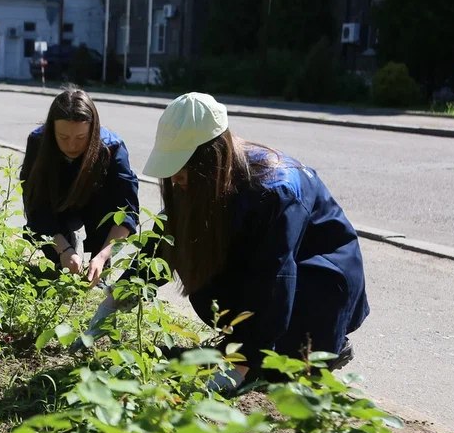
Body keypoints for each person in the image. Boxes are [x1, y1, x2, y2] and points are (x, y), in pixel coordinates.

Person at [80, 93, 369, 393]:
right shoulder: (205, 181)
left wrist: (239, 368)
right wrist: (115, 300)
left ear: (210, 158)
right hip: (278, 278)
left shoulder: (275, 190)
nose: (175, 179)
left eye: (181, 170)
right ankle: (251, 352)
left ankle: (316, 353)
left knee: (280, 370)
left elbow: (274, 279)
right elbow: (162, 245)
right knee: (207, 284)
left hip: (321, 283)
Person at [21, 87, 140, 286]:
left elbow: (127, 210)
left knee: (110, 209)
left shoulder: (112, 148)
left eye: (81, 138)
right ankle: (65, 257)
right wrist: (64, 250)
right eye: (63, 138)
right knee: (60, 253)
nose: (72, 146)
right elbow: (36, 207)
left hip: (97, 206)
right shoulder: (38, 143)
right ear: (52, 131)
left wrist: (102, 256)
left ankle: (98, 268)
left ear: (93, 131)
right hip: (57, 205)